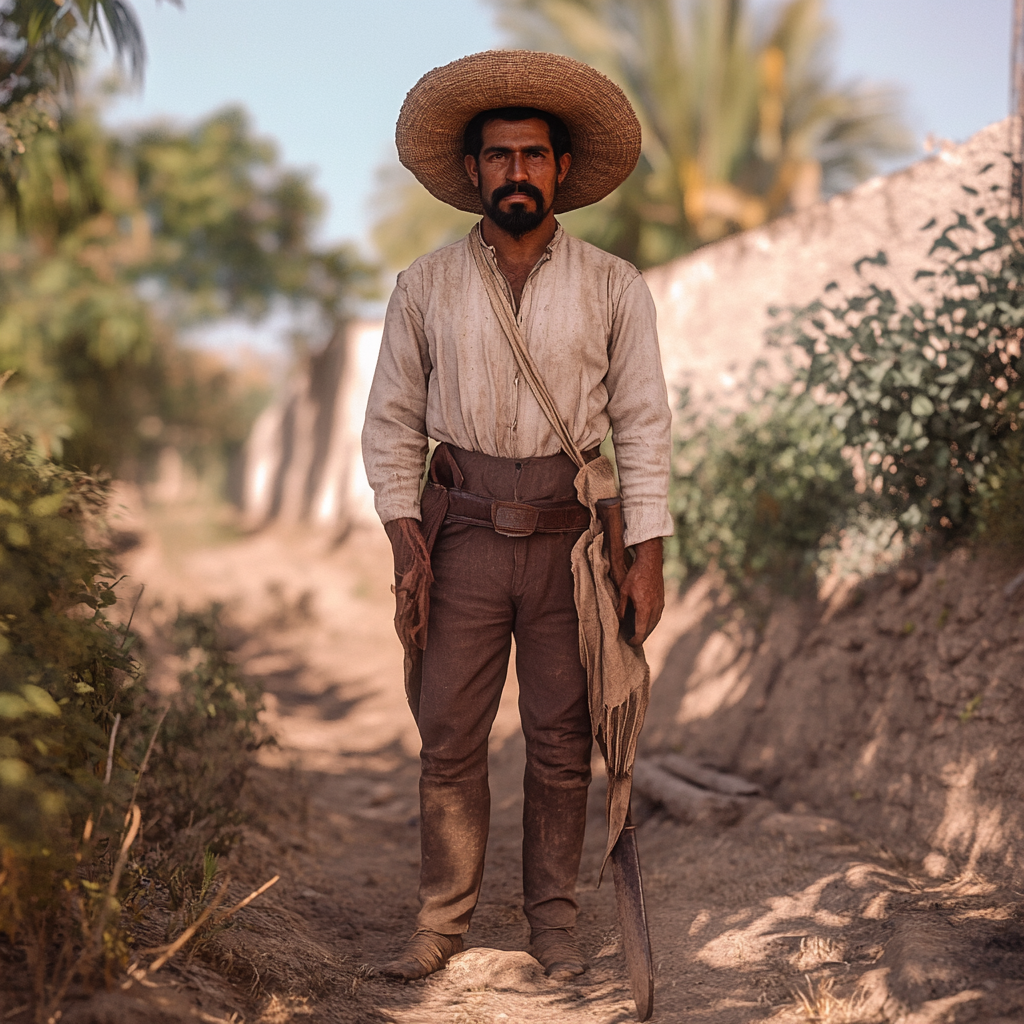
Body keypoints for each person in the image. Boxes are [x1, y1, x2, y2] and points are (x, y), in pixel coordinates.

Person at [361, 49, 672, 983]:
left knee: (561, 746)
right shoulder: (423, 286)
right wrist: (404, 539)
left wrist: (645, 556)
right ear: (473, 173)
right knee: (448, 738)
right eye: (499, 157)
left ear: (561, 170)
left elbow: (643, 426)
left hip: (569, 548)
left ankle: (557, 929)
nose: (517, 172)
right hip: (457, 540)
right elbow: (392, 423)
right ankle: (440, 925)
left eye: (534, 155)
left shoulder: (615, 287)